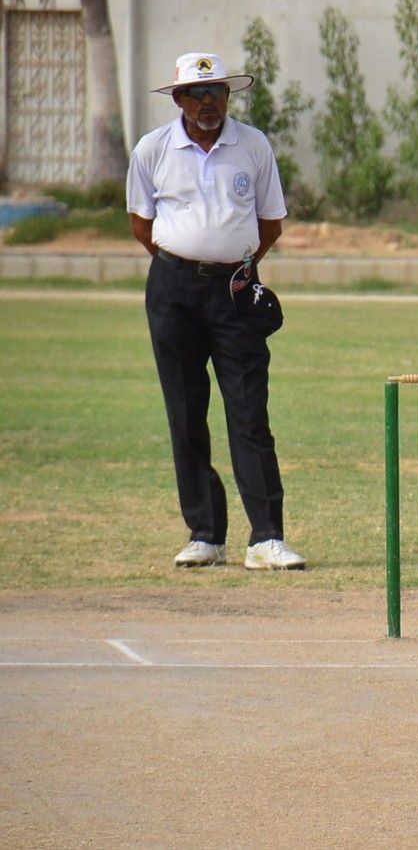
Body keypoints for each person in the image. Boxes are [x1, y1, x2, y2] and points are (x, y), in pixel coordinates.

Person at [126, 51, 305, 571]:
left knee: (249, 412)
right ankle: (204, 532)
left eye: (217, 93)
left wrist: (236, 266)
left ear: (228, 96)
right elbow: (141, 223)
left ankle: (266, 537)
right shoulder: (153, 149)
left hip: (234, 291)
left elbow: (270, 223)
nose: (209, 103)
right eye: (198, 94)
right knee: (185, 412)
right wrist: (185, 262)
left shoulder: (253, 144)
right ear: (179, 99)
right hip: (173, 291)